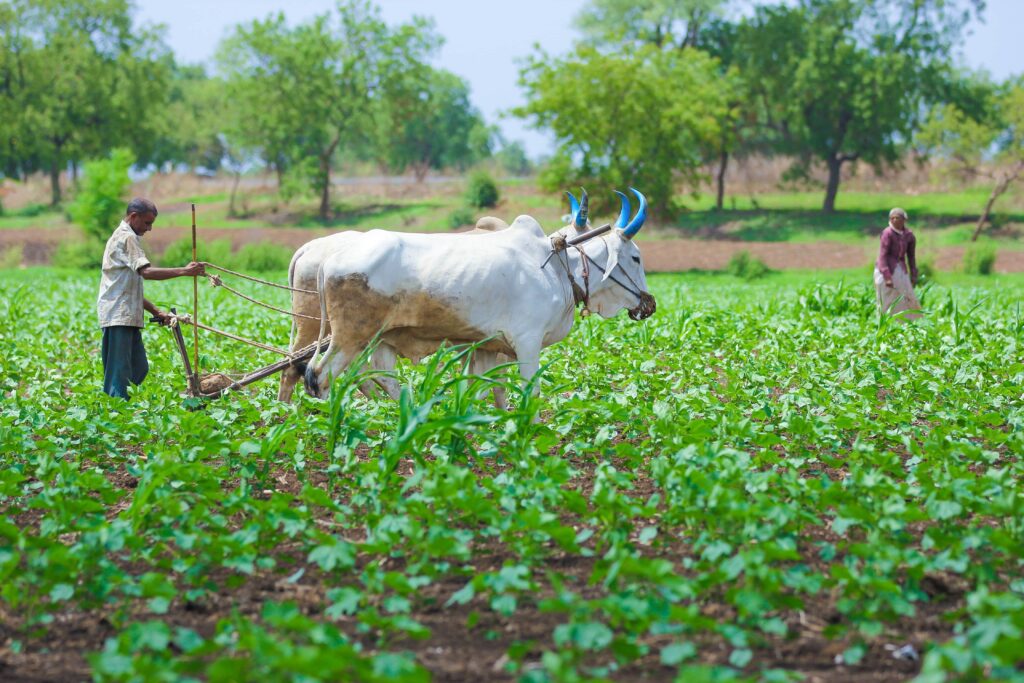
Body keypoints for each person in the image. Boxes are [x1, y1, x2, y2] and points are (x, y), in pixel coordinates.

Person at [97, 197, 204, 398]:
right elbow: (146, 272)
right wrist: (184, 271)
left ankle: (121, 407)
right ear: (133, 216)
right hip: (118, 315)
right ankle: (115, 414)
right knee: (119, 375)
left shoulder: (126, 237)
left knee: (139, 368)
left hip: (126, 313)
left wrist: (156, 311)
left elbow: (129, 288)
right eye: (147, 223)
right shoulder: (127, 237)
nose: (149, 229)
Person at [874, 207, 921, 320]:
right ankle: (886, 324)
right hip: (885, 271)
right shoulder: (887, 234)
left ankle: (907, 323)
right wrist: (887, 276)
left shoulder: (909, 235)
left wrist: (913, 273)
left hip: (900, 270)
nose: (897, 221)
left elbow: (911, 257)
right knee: (887, 300)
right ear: (891, 219)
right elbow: (882, 256)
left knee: (906, 297)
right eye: (895, 218)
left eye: (900, 219)